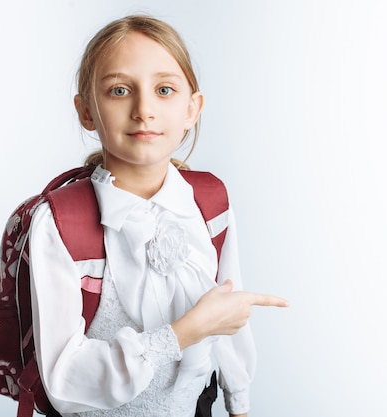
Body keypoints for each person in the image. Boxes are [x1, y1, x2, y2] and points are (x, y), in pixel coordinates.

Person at [28, 14, 288, 417]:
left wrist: (238, 402)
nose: (144, 109)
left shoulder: (210, 201)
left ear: (192, 109)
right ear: (86, 111)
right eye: (119, 90)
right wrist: (183, 333)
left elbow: (228, 312)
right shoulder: (61, 223)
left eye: (164, 89)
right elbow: (64, 378)